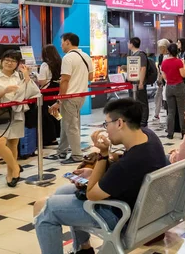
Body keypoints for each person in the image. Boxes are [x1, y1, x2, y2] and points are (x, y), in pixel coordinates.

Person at [33, 98, 167, 254]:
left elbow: (92, 194)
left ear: (119, 123)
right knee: (61, 192)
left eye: (106, 124)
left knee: (45, 209)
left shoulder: (130, 163)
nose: (106, 129)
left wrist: (102, 155)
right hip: (139, 208)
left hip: (120, 215)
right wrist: (93, 172)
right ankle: (84, 249)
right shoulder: (149, 137)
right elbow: (122, 169)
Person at [0, 50, 41, 186]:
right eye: (7, 60)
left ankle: (11, 174)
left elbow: (32, 93)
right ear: (1, 61)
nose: (9, 63)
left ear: (17, 64)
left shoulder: (20, 76)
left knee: (13, 144)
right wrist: (3, 92)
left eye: (13, 61)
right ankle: (16, 167)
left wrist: (27, 77)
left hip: (17, 114)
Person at [47, 33, 93, 164]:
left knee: (71, 126)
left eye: (62, 42)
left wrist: (59, 100)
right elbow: (90, 77)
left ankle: (76, 155)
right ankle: (62, 151)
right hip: (81, 96)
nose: (61, 45)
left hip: (70, 96)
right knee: (66, 124)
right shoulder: (86, 56)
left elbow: (65, 80)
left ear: (68, 42)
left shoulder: (68, 58)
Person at [37, 44, 63, 146]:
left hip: (47, 91)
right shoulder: (60, 63)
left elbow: (42, 81)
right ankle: (57, 134)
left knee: (46, 115)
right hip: (57, 90)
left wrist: (36, 76)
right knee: (55, 113)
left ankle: (50, 138)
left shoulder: (45, 65)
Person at [161, 43, 185, 139]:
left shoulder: (164, 62)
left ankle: (170, 133)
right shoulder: (179, 62)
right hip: (179, 86)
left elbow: (164, 76)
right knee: (181, 111)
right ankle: (183, 132)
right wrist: (183, 64)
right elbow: (183, 74)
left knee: (171, 111)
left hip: (169, 87)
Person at [127, 37, 150, 127]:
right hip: (132, 83)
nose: (128, 44)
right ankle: (136, 119)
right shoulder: (133, 55)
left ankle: (143, 121)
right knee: (133, 101)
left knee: (142, 102)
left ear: (132, 44)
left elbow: (143, 68)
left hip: (138, 83)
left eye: (129, 43)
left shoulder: (141, 55)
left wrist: (141, 82)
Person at [153, 39, 170, 120]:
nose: (160, 50)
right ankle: (157, 113)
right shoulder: (160, 57)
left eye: (161, 48)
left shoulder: (169, 57)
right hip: (162, 80)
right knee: (159, 97)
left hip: (168, 81)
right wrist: (159, 78)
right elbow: (160, 69)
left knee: (167, 100)